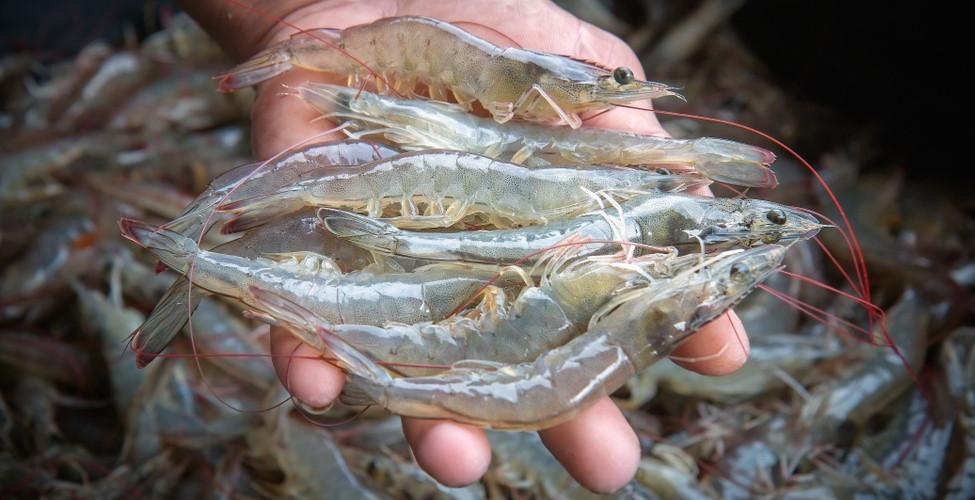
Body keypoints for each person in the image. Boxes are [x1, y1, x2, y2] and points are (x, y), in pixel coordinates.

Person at [179, 0, 752, 492]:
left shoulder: (535, 113)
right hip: (412, 119)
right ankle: (214, 240)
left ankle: (218, 248)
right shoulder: (483, 92)